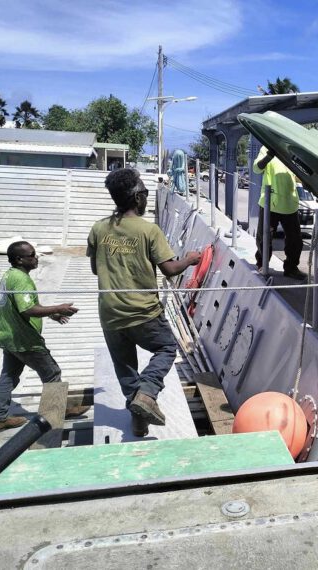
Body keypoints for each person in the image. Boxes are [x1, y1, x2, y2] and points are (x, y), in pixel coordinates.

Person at [88, 168, 201, 437]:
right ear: (138, 197)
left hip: (110, 312)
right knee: (166, 347)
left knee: (125, 367)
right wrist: (190, 259)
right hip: (143, 313)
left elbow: (96, 268)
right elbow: (170, 270)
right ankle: (148, 392)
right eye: (145, 194)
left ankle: (139, 420)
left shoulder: (99, 228)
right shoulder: (149, 230)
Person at [0, 241, 81, 433]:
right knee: (52, 372)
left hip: (9, 337)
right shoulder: (21, 279)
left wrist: (50, 314)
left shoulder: (10, 275)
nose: (36, 257)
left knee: (8, 376)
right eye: (31, 254)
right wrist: (58, 307)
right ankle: (55, 414)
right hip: (24, 339)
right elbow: (28, 309)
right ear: (19, 259)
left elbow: (23, 307)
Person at [253, 146, 305, 280]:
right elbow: (257, 168)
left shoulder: (292, 151)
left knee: (295, 240)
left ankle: (291, 268)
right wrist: (269, 156)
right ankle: (262, 264)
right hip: (270, 202)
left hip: (290, 203)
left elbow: (300, 176)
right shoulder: (266, 148)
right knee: (264, 238)